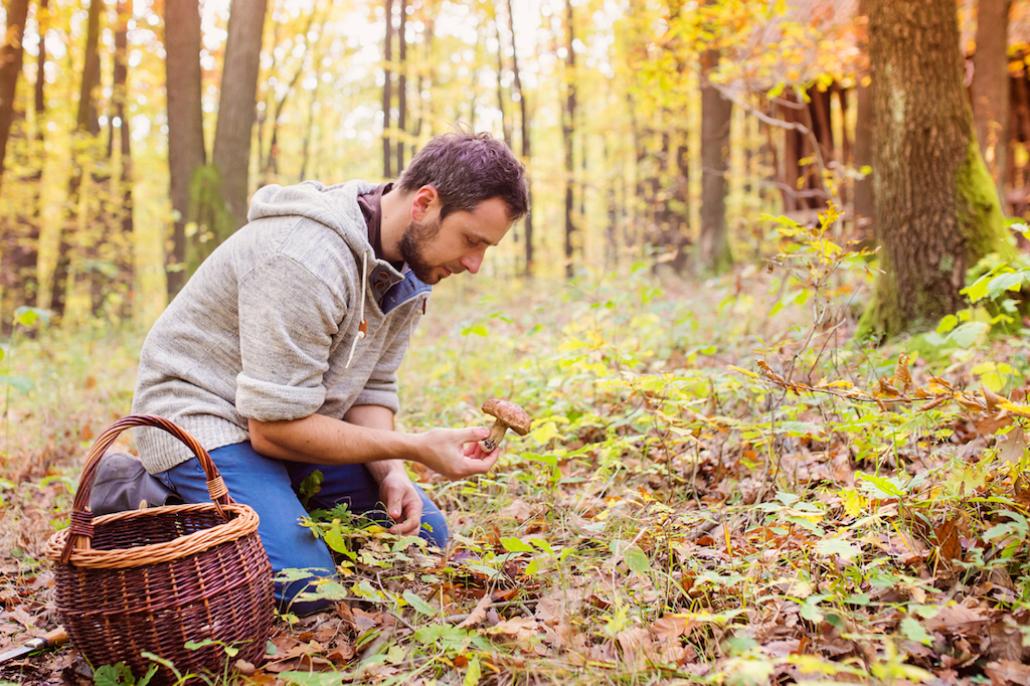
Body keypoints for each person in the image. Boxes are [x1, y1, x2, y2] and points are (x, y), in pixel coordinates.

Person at [130, 132, 529, 614]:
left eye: (485, 248)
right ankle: (158, 503)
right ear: (425, 202)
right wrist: (414, 446)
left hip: (292, 422)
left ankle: (273, 502)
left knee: (424, 536)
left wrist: (393, 472)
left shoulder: (413, 267)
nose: (473, 264)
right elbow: (274, 429)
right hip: (202, 421)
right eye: (471, 241)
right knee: (308, 590)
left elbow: (373, 387)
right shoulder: (303, 260)